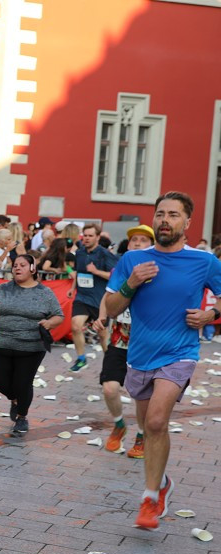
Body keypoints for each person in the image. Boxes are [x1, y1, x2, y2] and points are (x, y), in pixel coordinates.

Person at [104, 192, 221, 530]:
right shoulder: (132, 260)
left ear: (187, 222)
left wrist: (209, 314)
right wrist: (131, 283)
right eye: (160, 214)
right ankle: (163, 481)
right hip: (139, 355)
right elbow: (112, 309)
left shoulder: (205, 261)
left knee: (156, 422)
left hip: (180, 353)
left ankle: (150, 498)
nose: (164, 220)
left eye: (172, 215)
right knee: (146, 425)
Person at [0, 254, 65, 437]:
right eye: (15, 265)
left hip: (30, 347)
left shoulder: (44, 293)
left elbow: (58, 315)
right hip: (2, 343)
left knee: (23, 382)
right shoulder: (3, 289)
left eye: (22, 265)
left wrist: (50, 323)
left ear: (32, 269)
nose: (17, 268)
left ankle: (21, 417)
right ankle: (15, 400)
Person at [95, 225, 155, 457]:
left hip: (145, 344)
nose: (137, 243)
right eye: (134, 240)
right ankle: (119, 424)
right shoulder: (122, 267)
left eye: (143, 240)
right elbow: (108, 295)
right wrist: (101, 316)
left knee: (142, 396)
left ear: (151, 245)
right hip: (119, 341)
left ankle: (141, 435)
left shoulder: (156, 271)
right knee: (110, 389)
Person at [69, 223, 117, 372]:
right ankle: (82, 359)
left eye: (91, 236)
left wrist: (96, 271)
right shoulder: (80, 253)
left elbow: (114, 275)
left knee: (103, 335)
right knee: (76, 326)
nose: (87, 238)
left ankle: (110, 365)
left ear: (97, 237)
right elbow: (77, 271)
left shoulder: (105, 254)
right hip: (82, 297)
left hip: (100, 300)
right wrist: (72, 288)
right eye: (86, 236)